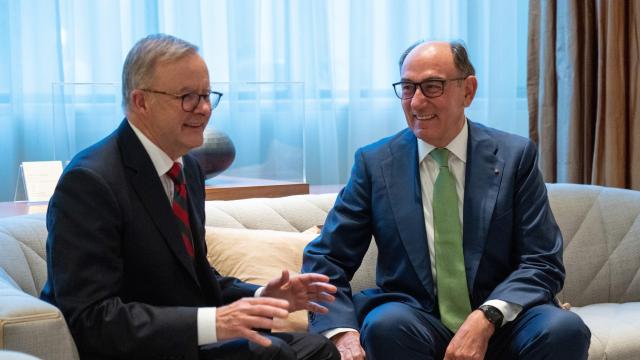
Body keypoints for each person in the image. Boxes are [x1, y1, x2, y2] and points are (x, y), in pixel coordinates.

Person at [40, 33, 340, 360]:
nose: (205, 109)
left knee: (318, 349)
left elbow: (196, 278)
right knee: (270, 354)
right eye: (188, 97)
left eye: (207, 95)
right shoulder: (90, 182)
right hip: (136, 349)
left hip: (186, 340)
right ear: (141, 101)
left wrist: (260, 296)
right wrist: (214, 321)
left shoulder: (188, 170)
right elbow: (92, 318)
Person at [302, 40, 591, 360]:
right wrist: (341, 333)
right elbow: (327, 260)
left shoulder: (514, 157)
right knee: (385, 324)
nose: (417, 102)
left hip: (506, 320)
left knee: (565, 328)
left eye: (433, 86)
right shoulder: (375, 164)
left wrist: (487, 316)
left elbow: (542, 261)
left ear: (468, 91)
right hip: (416, 320)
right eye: (409, 87)